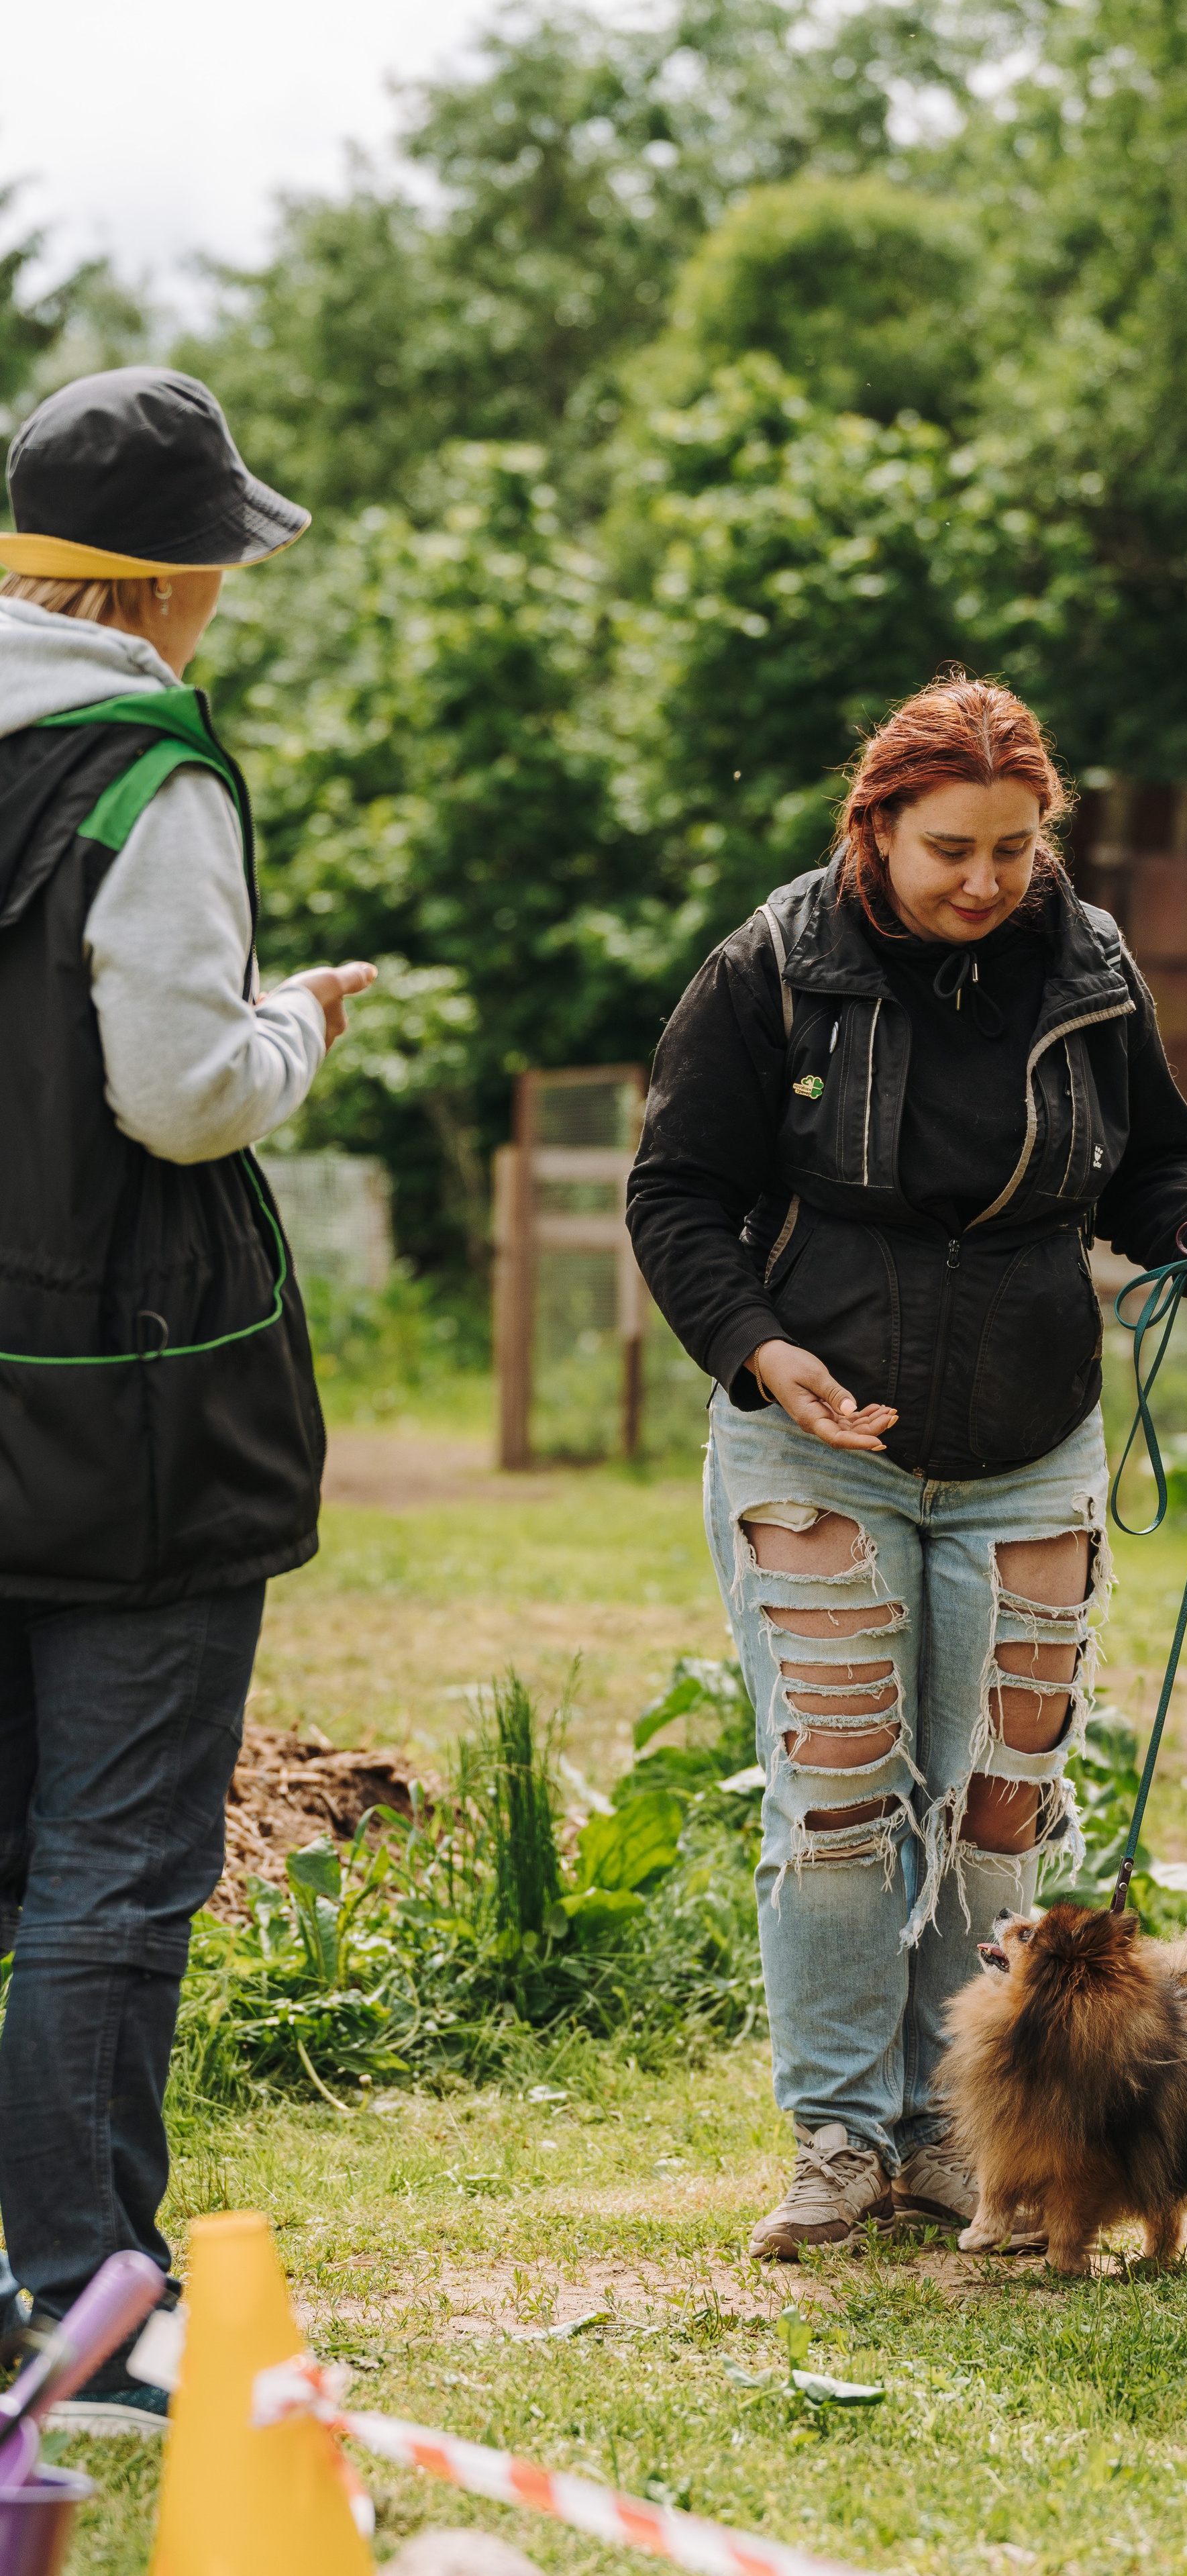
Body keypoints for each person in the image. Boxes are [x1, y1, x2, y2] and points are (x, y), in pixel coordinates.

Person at [627, 675, 1187, 2259]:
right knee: (839, 1799)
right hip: (814, 1440)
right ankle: (840, 2136)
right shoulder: (770, 967)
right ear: (875, 827)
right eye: (946, 850)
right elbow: (675, 1194)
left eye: (1012, 847)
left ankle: (958, 2135)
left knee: (1000, 1809)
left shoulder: (1090, 963)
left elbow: (1154, 1160)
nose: (983, 881)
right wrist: (757, 1344)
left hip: (1027, 1444)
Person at [0, 368, 375, 2426]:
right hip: (122, 1401)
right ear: (167, 580)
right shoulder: (148, 767)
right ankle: (83, 2301)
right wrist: (292, 1027)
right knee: (115, 1870)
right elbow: (177, 1095)